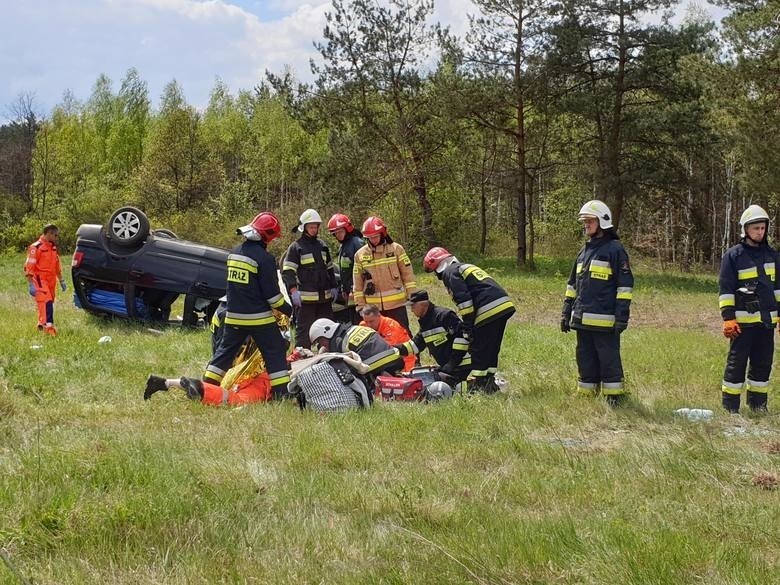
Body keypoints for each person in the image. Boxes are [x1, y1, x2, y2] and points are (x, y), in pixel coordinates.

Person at [203, 211, 292, 399]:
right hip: (258, 318)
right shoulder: (265, 259)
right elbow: (273, 297)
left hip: (233, 315)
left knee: (224, 353)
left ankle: (205, 386)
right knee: (275, 351)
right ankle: (281, 394)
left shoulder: (234, 253)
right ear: (266, 236)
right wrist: (290, 309)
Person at [560, 200, 633, 406]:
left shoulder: (615, 250)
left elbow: (625, 286)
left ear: (602, 221)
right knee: (585, 359)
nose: (586, 225)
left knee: (608, 360)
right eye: (584, 221)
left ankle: (614, 399)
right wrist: (566, 313)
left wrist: (621, 317)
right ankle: (586, 398)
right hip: (582, 320)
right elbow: (572, 285)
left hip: (605, 322)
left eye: (590, 221)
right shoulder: (584, 251)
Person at [423, 247, 515, 393]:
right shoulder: (463, 267)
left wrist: (467, 324)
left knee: (479, 348)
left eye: (434, 271)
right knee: (491, 348)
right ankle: (489, 381)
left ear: (438, 267)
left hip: (487, 308)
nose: (437, 275)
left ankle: (480, 385)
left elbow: (464, 300)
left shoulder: (449, 272)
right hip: (503, 305)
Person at [718, 204, 778, 413]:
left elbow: (777, 289)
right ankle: (730, 408)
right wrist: (728, 318)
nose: (760, 233)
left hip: (766, 324)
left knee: (763, 366)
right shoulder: (733, 256)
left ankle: (758, 407)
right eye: (755, 229)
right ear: (745, 230)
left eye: (762, 228)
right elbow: (726, 290)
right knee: (736, 365)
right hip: (742, 325)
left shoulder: (772, 256)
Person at [282, 209, 338, 348]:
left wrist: (334, 286)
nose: (314, 230)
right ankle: (302, 360)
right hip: (306, 301)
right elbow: (288, 271)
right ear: (304, 227)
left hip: (324, 299)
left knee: (328, 331)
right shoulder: (296, 247)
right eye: (311, 227)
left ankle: (328, 359)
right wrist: (293, 291)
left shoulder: (322, 246)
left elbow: (329, 269)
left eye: (315, 227)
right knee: (304, 334)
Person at [352, 216, 416, 335]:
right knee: (379, 339)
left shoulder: (396, 249)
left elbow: (408, 276)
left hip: (397, 305)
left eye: (376, 236)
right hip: (373, 309)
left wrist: (413, 297)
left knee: (403, 333)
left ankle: (410, 355)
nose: (374, 240)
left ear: (383, 233)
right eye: (370, 238)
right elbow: (357, 284)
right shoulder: (359, 255)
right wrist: (360, 306)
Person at [395, 290, 472, 385]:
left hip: (463, 366)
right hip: (448, 368)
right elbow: (415, 346)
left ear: (423, 305)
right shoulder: (425, 322)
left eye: (413, 306)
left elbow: (462, 339)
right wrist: (393, 349)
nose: (411, 310)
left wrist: (451, 365)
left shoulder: (444, 315)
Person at [309, 318, 404, 377]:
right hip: (395, 357)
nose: (321, 346)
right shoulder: (353, 328)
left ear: (326, 333)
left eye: (320, 341)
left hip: (379, 365)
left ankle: (384, 379)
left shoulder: (337, 343)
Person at [24, 223, 67, 336]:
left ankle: (41, 324)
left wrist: (61, 280)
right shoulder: (36, 247)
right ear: (49, 233)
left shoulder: (53, 247)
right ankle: (50, 328)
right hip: (40, 279)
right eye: (55, 235)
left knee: (48, 301)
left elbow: (56, 265)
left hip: (51, 279)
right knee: (46, 301)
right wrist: (30, 284)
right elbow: (30, 265)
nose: (57, 238)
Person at [327, 213, 364, 325]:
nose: (338, 235)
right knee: (353, 320)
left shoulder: (357, 243)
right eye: (336, 233)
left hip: (358, 290)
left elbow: (364, 268)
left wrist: (355, 288)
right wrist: (344, 289)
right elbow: (344, 271)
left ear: (347, 229)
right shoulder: (343, 246)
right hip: (349, 292)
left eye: (340, 231)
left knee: (361, 320)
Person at [359, 304, 416, 371]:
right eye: (366, 321)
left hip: (405, 361)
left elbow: (387, 350)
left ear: (379, 315)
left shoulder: (391, 326)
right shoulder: (363, 325)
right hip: (384, 360)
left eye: (371, 321)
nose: (369, 325)